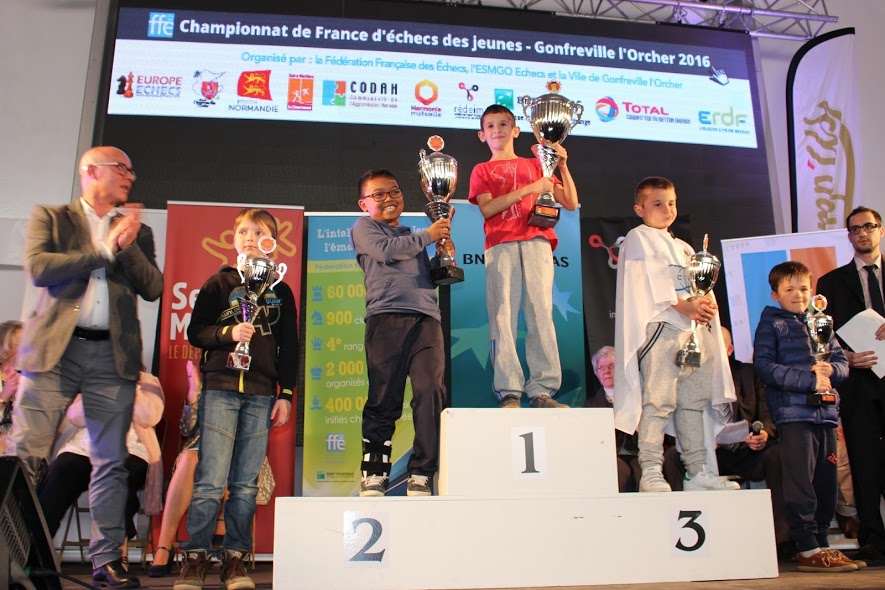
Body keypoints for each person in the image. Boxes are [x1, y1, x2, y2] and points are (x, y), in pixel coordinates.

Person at [11, 145, 162, 588]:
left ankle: (107, 560)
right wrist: (102, 250)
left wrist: (127, 248)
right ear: (91, 171)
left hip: (110, 358)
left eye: (132, 171)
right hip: (53, 354)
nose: (130, 177)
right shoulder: (51, 217)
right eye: (121, 169)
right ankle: (12, 556)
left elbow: (153, 287)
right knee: (24, 455)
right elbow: (41, 268)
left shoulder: (137, 230)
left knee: (110, 461)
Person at [175, 208, 296, 590]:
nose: (249, 238)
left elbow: (289, 347)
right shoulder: (218, 283)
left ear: (272, 241)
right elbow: (196, 331)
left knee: (245, 484)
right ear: (234, 238)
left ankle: (235, 560)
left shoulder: (281, 290)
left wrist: (286, 393)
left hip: (261, 393)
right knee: (210, 481)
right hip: (220, 389)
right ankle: (195, 559)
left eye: (258, 232)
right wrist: (229, 333)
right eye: (243, 232)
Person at [613, 176, 737, 494]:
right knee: (657, 402)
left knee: (692, 404)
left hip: (695, 332)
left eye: (671, 203)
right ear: (639, 209)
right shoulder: (638, 237)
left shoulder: (684, 247)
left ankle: (697, 470)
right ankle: (651, 470)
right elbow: (653, 283)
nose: (667, 209)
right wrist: (685, 306)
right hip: (663, 330)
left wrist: (705, 306)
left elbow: (698, 287)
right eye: (657, 204)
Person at [468, 104, 578, 409]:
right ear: (482, 135)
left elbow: (570, 201)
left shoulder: (537, 163)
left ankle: (542, 390)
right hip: (500, 245)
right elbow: (488, 208)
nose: (498, 130)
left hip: (537, 242)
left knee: (540, 314)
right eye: (491, 126)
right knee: (502, 316)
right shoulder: (482, 170)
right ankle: (509, 391)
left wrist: (562, 166)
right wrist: (530, 189)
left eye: (504, 124)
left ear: (516, 130)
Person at [754, 260, 858, 572]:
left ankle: (823, 545)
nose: (798, 295)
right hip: (793, 416)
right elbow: (764, 367)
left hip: (825, 414)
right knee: (801, 483)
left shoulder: (820, 322)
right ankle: (807, 547)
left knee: (826, 483)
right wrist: (809, 380)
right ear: (776, 295)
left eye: (803, 288)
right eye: (789, 289)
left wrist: (831, 370)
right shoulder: (771, 324)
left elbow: (842, 364)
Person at [350, 169, 449, 498]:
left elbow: (429, 278)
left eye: (394, 191)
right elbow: (387, 252)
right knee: (384, 397)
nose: (389, 199)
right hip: (386, 319)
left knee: (430, 391)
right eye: (378, 194)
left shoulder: (412, 236)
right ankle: (374, 471)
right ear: (364, 204)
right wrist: (429, 236)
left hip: (427, 320)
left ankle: (422, 472)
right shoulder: (364, 228)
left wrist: (443, 256)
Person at [662, 327, 792, 554]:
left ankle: (782, 541)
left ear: (729, 350)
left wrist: (764, 433)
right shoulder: (687, 377)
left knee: (778, 454)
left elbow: (767, 412)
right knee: (673, 456)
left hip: (747, 450)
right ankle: (679, 534)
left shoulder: (749, 374)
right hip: (704, 454)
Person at [817, 206, 885, 564]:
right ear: (848, 236)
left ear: (881, 231)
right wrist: (845, 356)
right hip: (858, 382)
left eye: (869, 226)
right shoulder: (830, 283)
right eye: (856, 229)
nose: (863, 233)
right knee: (864, 461)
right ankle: (872, 537)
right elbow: (822, 337)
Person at [38, 370, 164, 560]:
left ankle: (111, 556)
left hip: (129, 449)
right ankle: (36, 554)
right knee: (60, 471)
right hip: (86, 448)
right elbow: (75, 416)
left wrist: (129, 386)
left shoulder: (147, 381)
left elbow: (149, 417)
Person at [586, 346, 641, 492]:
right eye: (601, 368)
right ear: (596, 373)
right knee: (615, 471)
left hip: (638, 452)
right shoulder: (591, 405)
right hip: (611, 455)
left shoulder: (638, 398)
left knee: (643, 471)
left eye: (611, 366)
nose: (606, 371)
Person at [0, 320, 23, 456]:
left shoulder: (31, 380)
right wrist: (5, 394)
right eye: (23, 344)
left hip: (20, 441)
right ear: (5, 347)